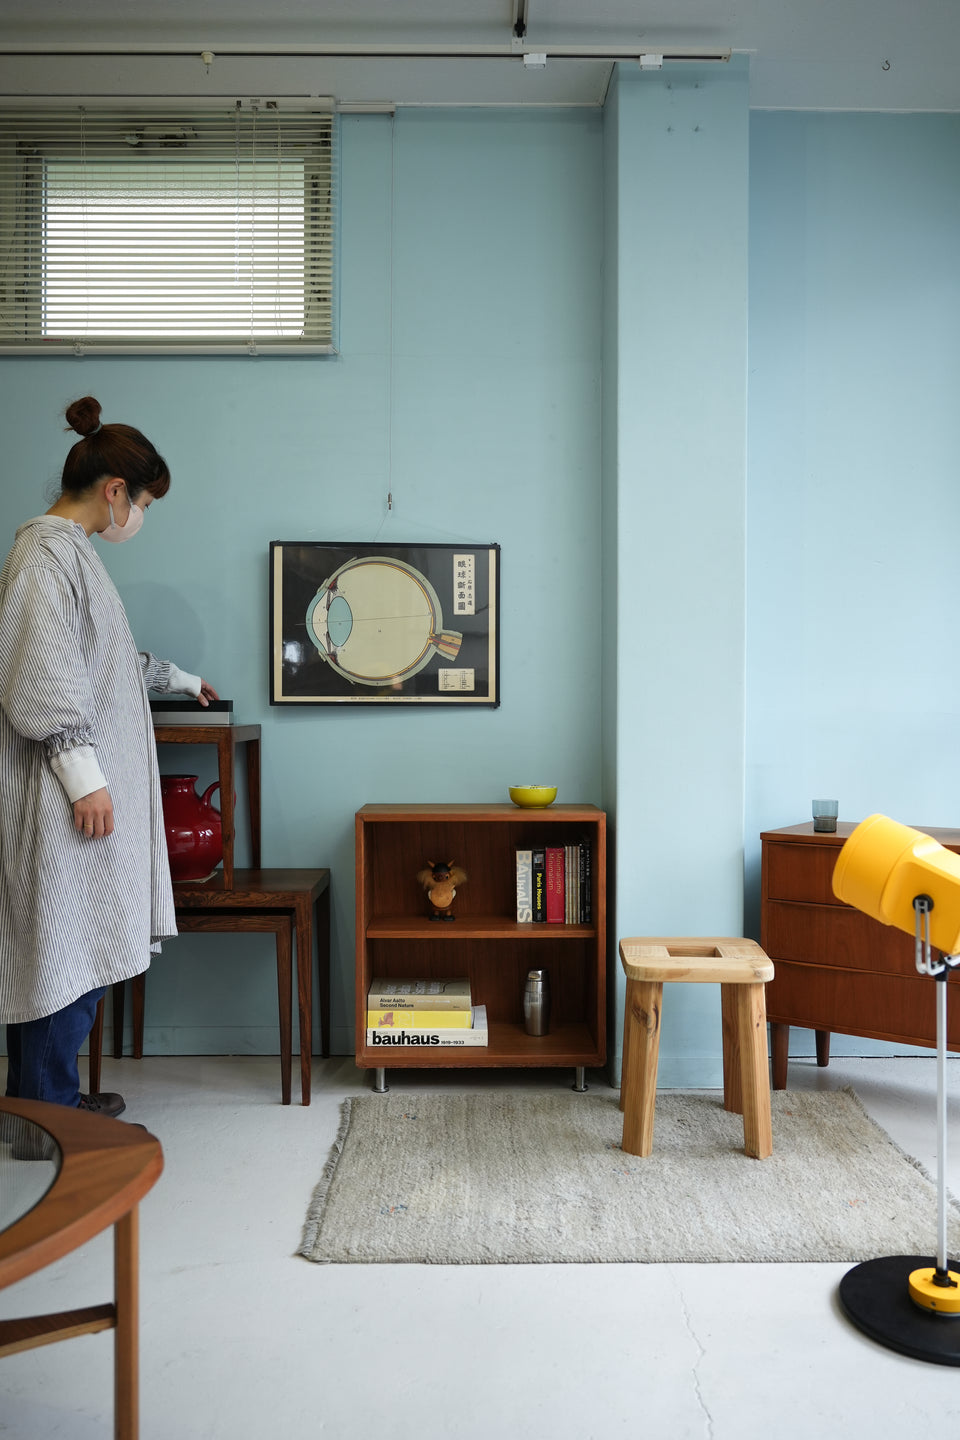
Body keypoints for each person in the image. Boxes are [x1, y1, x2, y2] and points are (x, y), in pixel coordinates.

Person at [0, 395, 218, 1117]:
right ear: (115, 491)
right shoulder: (44, 553)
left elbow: (108, 658)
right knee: (58, 949)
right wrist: (82, 777)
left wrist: (181, 680)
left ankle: (46, 1098)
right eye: (144, 502)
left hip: (83, 795)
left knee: (77, 947)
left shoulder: (74, 558)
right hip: (67, 797)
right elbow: (42, 671)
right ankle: (44, 1110)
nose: (140, 519)